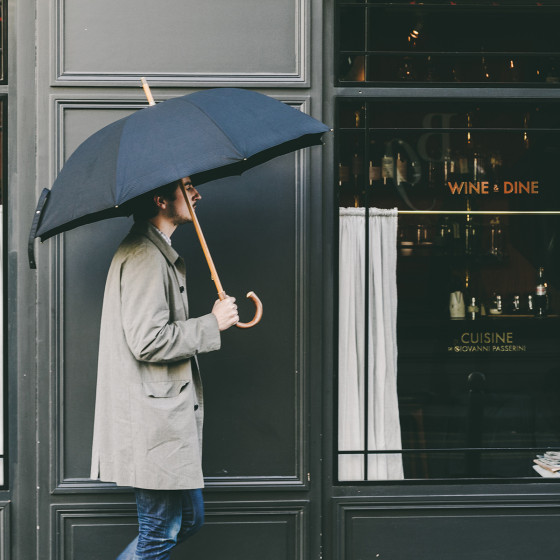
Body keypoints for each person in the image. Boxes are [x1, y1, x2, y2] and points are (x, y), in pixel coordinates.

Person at [90, 176, 239, 559]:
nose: (197, 193)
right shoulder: (143, 256)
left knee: (187, 521)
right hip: (152, 424)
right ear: (160, 199)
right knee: (158, 534)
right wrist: (212, 322)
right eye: (187, 187)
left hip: (164, 423)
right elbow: (148, 341)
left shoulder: (158, 251)